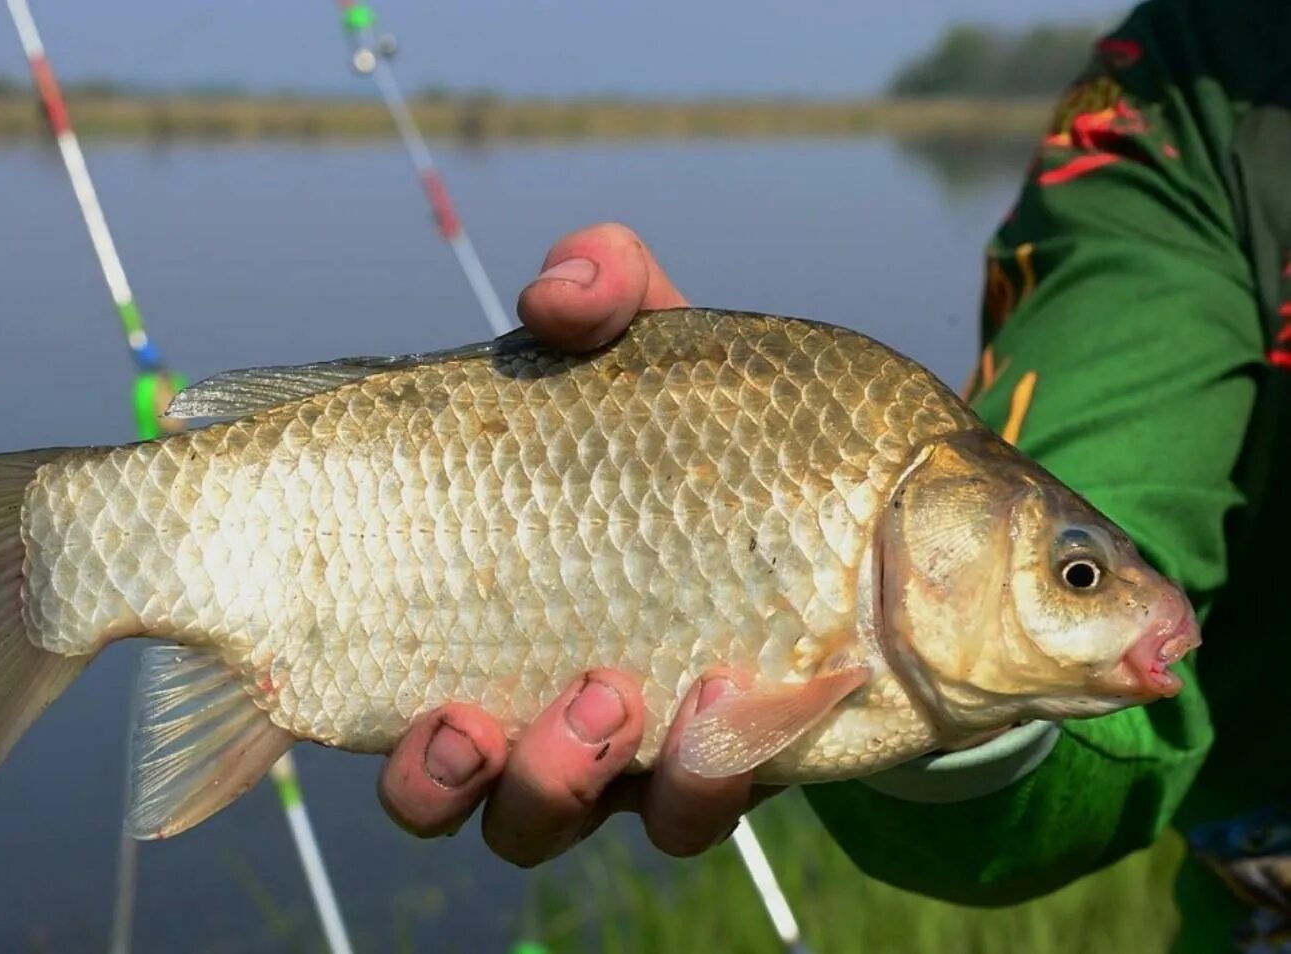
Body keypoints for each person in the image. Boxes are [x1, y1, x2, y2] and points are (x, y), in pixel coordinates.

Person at [376, 0, 1291, 950]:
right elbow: (1131, 479)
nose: (1135, 606)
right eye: (1078, 574)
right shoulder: (1201, 79)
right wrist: (952, 731)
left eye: (1079, 575)